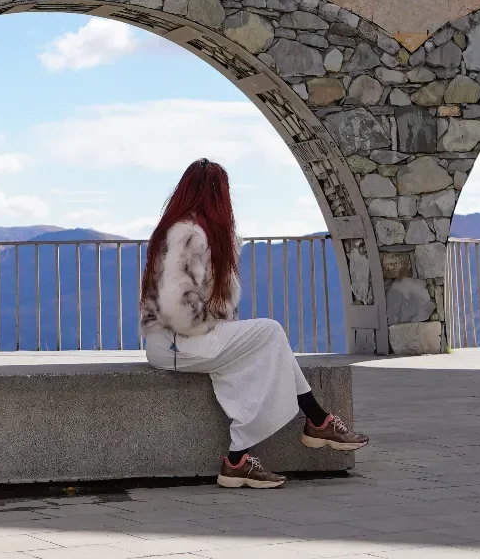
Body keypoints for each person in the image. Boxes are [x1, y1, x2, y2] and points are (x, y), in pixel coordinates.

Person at [140, 159, 368, 488]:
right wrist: (215, 329)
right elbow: (179, 309)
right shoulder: (189, 235)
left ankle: (248, 456)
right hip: (176, 341)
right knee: (270, 331)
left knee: (268, 344)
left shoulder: (190, 232)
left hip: (181, 340)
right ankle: (311, 423)